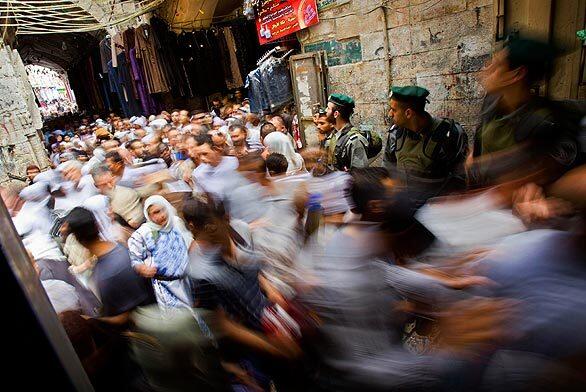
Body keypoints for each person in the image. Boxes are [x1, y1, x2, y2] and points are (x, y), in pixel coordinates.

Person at [471, 38, 581, 188]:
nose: (486, 70)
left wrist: (480, 165)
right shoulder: (492, 101)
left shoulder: (544, 121)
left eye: (496, 65)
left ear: (517, 74)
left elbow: (535, 172)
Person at [65, 207, 153, 322]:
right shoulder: (122, 247)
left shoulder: (105, 276)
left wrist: (90, 320)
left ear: (77, 239)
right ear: (97, 226)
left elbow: (123, 319)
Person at [387, 85, 468, 193]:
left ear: (408, 113)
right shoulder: (396, 134)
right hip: (403, 204)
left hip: (435, 205)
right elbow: (388, 167)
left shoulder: (449, 134)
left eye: (393, 110)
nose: (389, 114)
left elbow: (461, 177)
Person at [128, 196, 193, 309]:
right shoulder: (142, 235)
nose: (162, 215)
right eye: (156, 212)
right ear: (148, 215)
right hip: (167, 288)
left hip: (189, 281)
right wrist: (141, 268)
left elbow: (189, 242)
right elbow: (135, 260)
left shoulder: (176, 222)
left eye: (164, 209)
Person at [326, 93, 369, 171]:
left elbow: (361, 174)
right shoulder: (334, 135)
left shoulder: (355, 140)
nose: (326, 111)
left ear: (336, 114)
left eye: (328, 108)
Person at [191, 134, 240, 199]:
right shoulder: (198, 174)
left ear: (216, 150)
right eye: (199, 155)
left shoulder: (235, 163)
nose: (202, 158)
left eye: (205, 154)